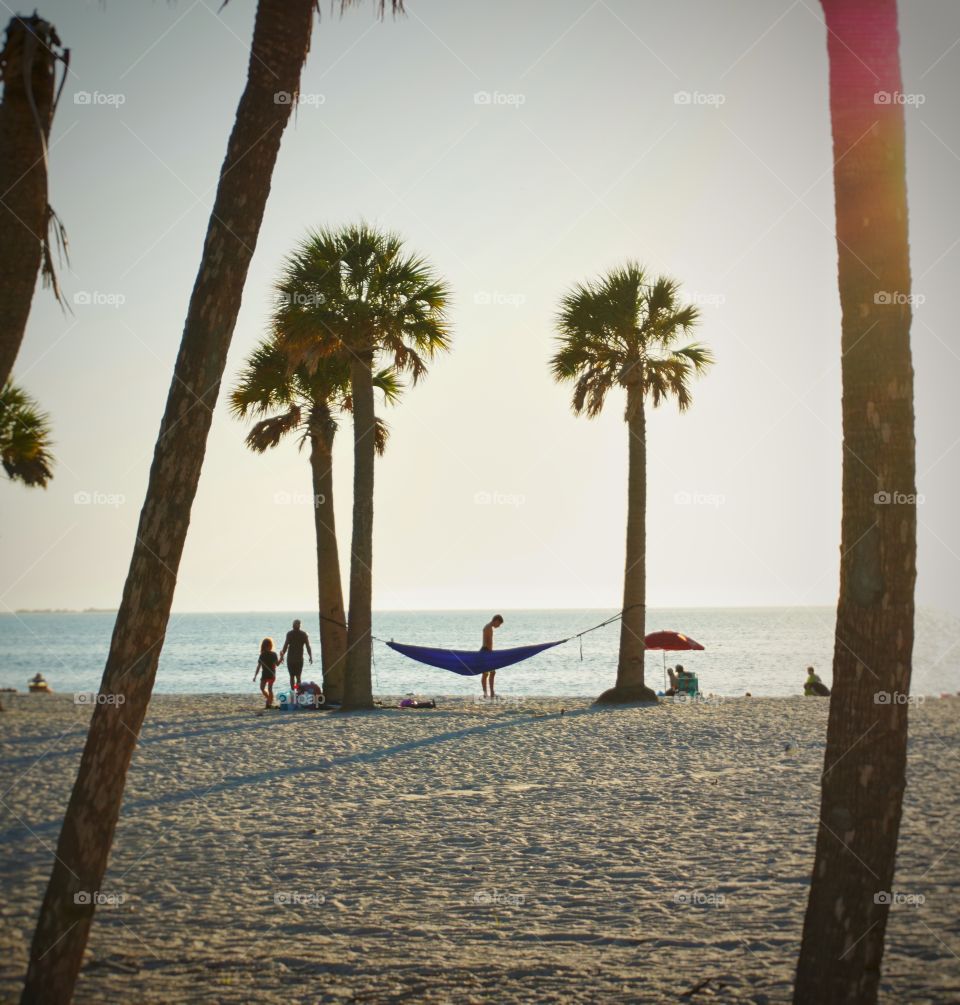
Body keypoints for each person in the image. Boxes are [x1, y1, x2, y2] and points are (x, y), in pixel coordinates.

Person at [280, 619, 313, 690]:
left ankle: (295, 690)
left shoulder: (292, 634)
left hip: (293, 659)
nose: (293, 626)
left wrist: (310, 656)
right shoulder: (302, 634)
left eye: (295, 624)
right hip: (296, 659)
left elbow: (285, 646)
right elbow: (308, 646)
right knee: (296, 677)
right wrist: (310, 656)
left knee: (294, 677)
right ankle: (296, 691)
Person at [480, 614, 504, 699]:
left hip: (485, 651)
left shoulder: (488, 627)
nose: (499, 626)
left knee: (489, 673)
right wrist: (491, 654)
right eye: (499, 624)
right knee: (487, 673)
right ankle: (487, 693)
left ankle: (489, 693)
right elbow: (488, 642)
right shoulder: (488, 628)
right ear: (496, 620)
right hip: (486, 652)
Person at [254, 637, 281, 708]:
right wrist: (255, 676)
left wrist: (281, 657)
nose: (268, 647)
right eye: (267, 646)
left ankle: (269, 702)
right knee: (262, 688)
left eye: (269, 645)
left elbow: (277, 664)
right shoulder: (262, 655)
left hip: (271, 674)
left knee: (270, 689)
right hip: (264, 674)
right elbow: (258, 666)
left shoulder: (273, 654)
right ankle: (269, 699)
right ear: (264, 646)